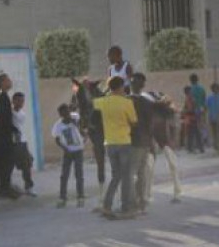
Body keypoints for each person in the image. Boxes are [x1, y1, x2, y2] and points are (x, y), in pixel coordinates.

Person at [93, 76, 138, 219]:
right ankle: (126, 208)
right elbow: (134, 122)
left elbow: (91, 103)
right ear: (120, 87)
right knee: (126, 177)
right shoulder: (127, 103)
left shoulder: (102, 102)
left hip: (109, 143)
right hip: (124, 142)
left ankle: (106, 206)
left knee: (115, 176)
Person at [0, 74, 21, 199]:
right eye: (8, 80)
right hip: (3, 135)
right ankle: (4, 187)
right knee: (6, 162)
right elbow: (3, 118)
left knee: (6, 162)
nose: (10, 82)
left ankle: (5, 186)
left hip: (3, 133)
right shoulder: (2, 97)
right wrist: (12, 129)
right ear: (2, 82)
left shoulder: (2, 96)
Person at [130, 73, 155, 213]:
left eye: (133, 82)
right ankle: (142, 203)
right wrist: (151, 142)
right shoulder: (147, 103)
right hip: (144, 141)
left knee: (131, 174)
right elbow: (151, 124)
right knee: (141, 173)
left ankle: (134, 203)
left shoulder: (126, 101)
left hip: (131, 142)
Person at [52, 104, 85, 208]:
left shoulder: (75, 117)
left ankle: (80, 197)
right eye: (65, 114)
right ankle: (63, 198)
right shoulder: (58, 125)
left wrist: (76, 124)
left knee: (79, 174)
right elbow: (57, 140)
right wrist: (65, 148)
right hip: (68, 152)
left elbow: (82, 127)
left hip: (78, 150)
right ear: (61, 115)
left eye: (68, 112)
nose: (68, 115)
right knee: (64, 175)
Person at [11, 92, 36, 197]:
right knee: (10, 165)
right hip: (12, 143)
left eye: (22, 101)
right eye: (18, 100)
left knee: (27, 164)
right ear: (13, 101)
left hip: (21, 141)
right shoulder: (10, 113)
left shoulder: (22, 114)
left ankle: (28, 186)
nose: (21, 103)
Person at [183, 86, 204, 154]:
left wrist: (186, 111)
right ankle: (198, 148)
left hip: (192, 118)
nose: (187, 93)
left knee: (193, 134)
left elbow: (192, 109)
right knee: (194, 134)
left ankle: (195, 148)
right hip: (191, 118)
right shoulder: (189, 98)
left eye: (187, 91)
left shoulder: (191, 99)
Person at [206, 83, 219, 150]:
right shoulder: (209, 98)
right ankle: (216, 145)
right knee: (214, 131)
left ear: (218, 89)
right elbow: (207, 107)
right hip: (212, 117)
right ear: (212, 89)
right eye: (213, 88)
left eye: (216, 88)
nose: (215, 90)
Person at [190, 73, 208, 145]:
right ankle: (205, 137)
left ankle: (199, 140)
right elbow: (204, 98)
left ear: (191, 80)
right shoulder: (201, 88)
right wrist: (204, 107)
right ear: (197, 79)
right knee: (203, 123)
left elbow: (192, 100)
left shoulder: (191, 89)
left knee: (197, 125)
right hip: (202, 108)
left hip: (195, 109)